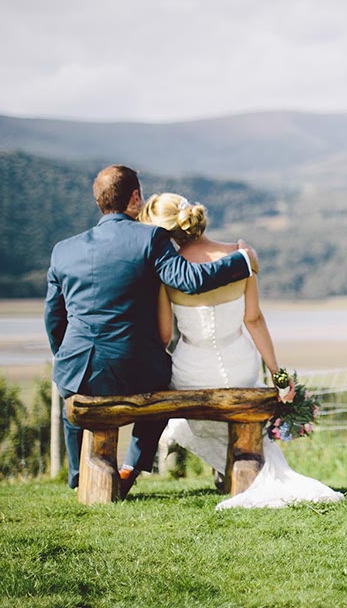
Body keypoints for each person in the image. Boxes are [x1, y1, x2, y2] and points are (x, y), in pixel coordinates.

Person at [45, 165, 259, 497]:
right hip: (135, 369)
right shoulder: (150, 238)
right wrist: (242, 259)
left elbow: (54, 319)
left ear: (99, 202)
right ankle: (131, 466)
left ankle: (77, 477)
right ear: (134, 198)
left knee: (70, 392)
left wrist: (65, 357)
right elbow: (190, 280)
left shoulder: (63, 250)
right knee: (163, 379)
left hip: (78, 367)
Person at [140, 191, 343, 509]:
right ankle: (233, 468)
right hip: (239, 365)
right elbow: (254, 320)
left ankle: (226, 468)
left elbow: (165, 335)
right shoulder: (240, 257)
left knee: (185, 419)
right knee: (241, 400)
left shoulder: (168, 273)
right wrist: (278, 374)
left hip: (191, 371)